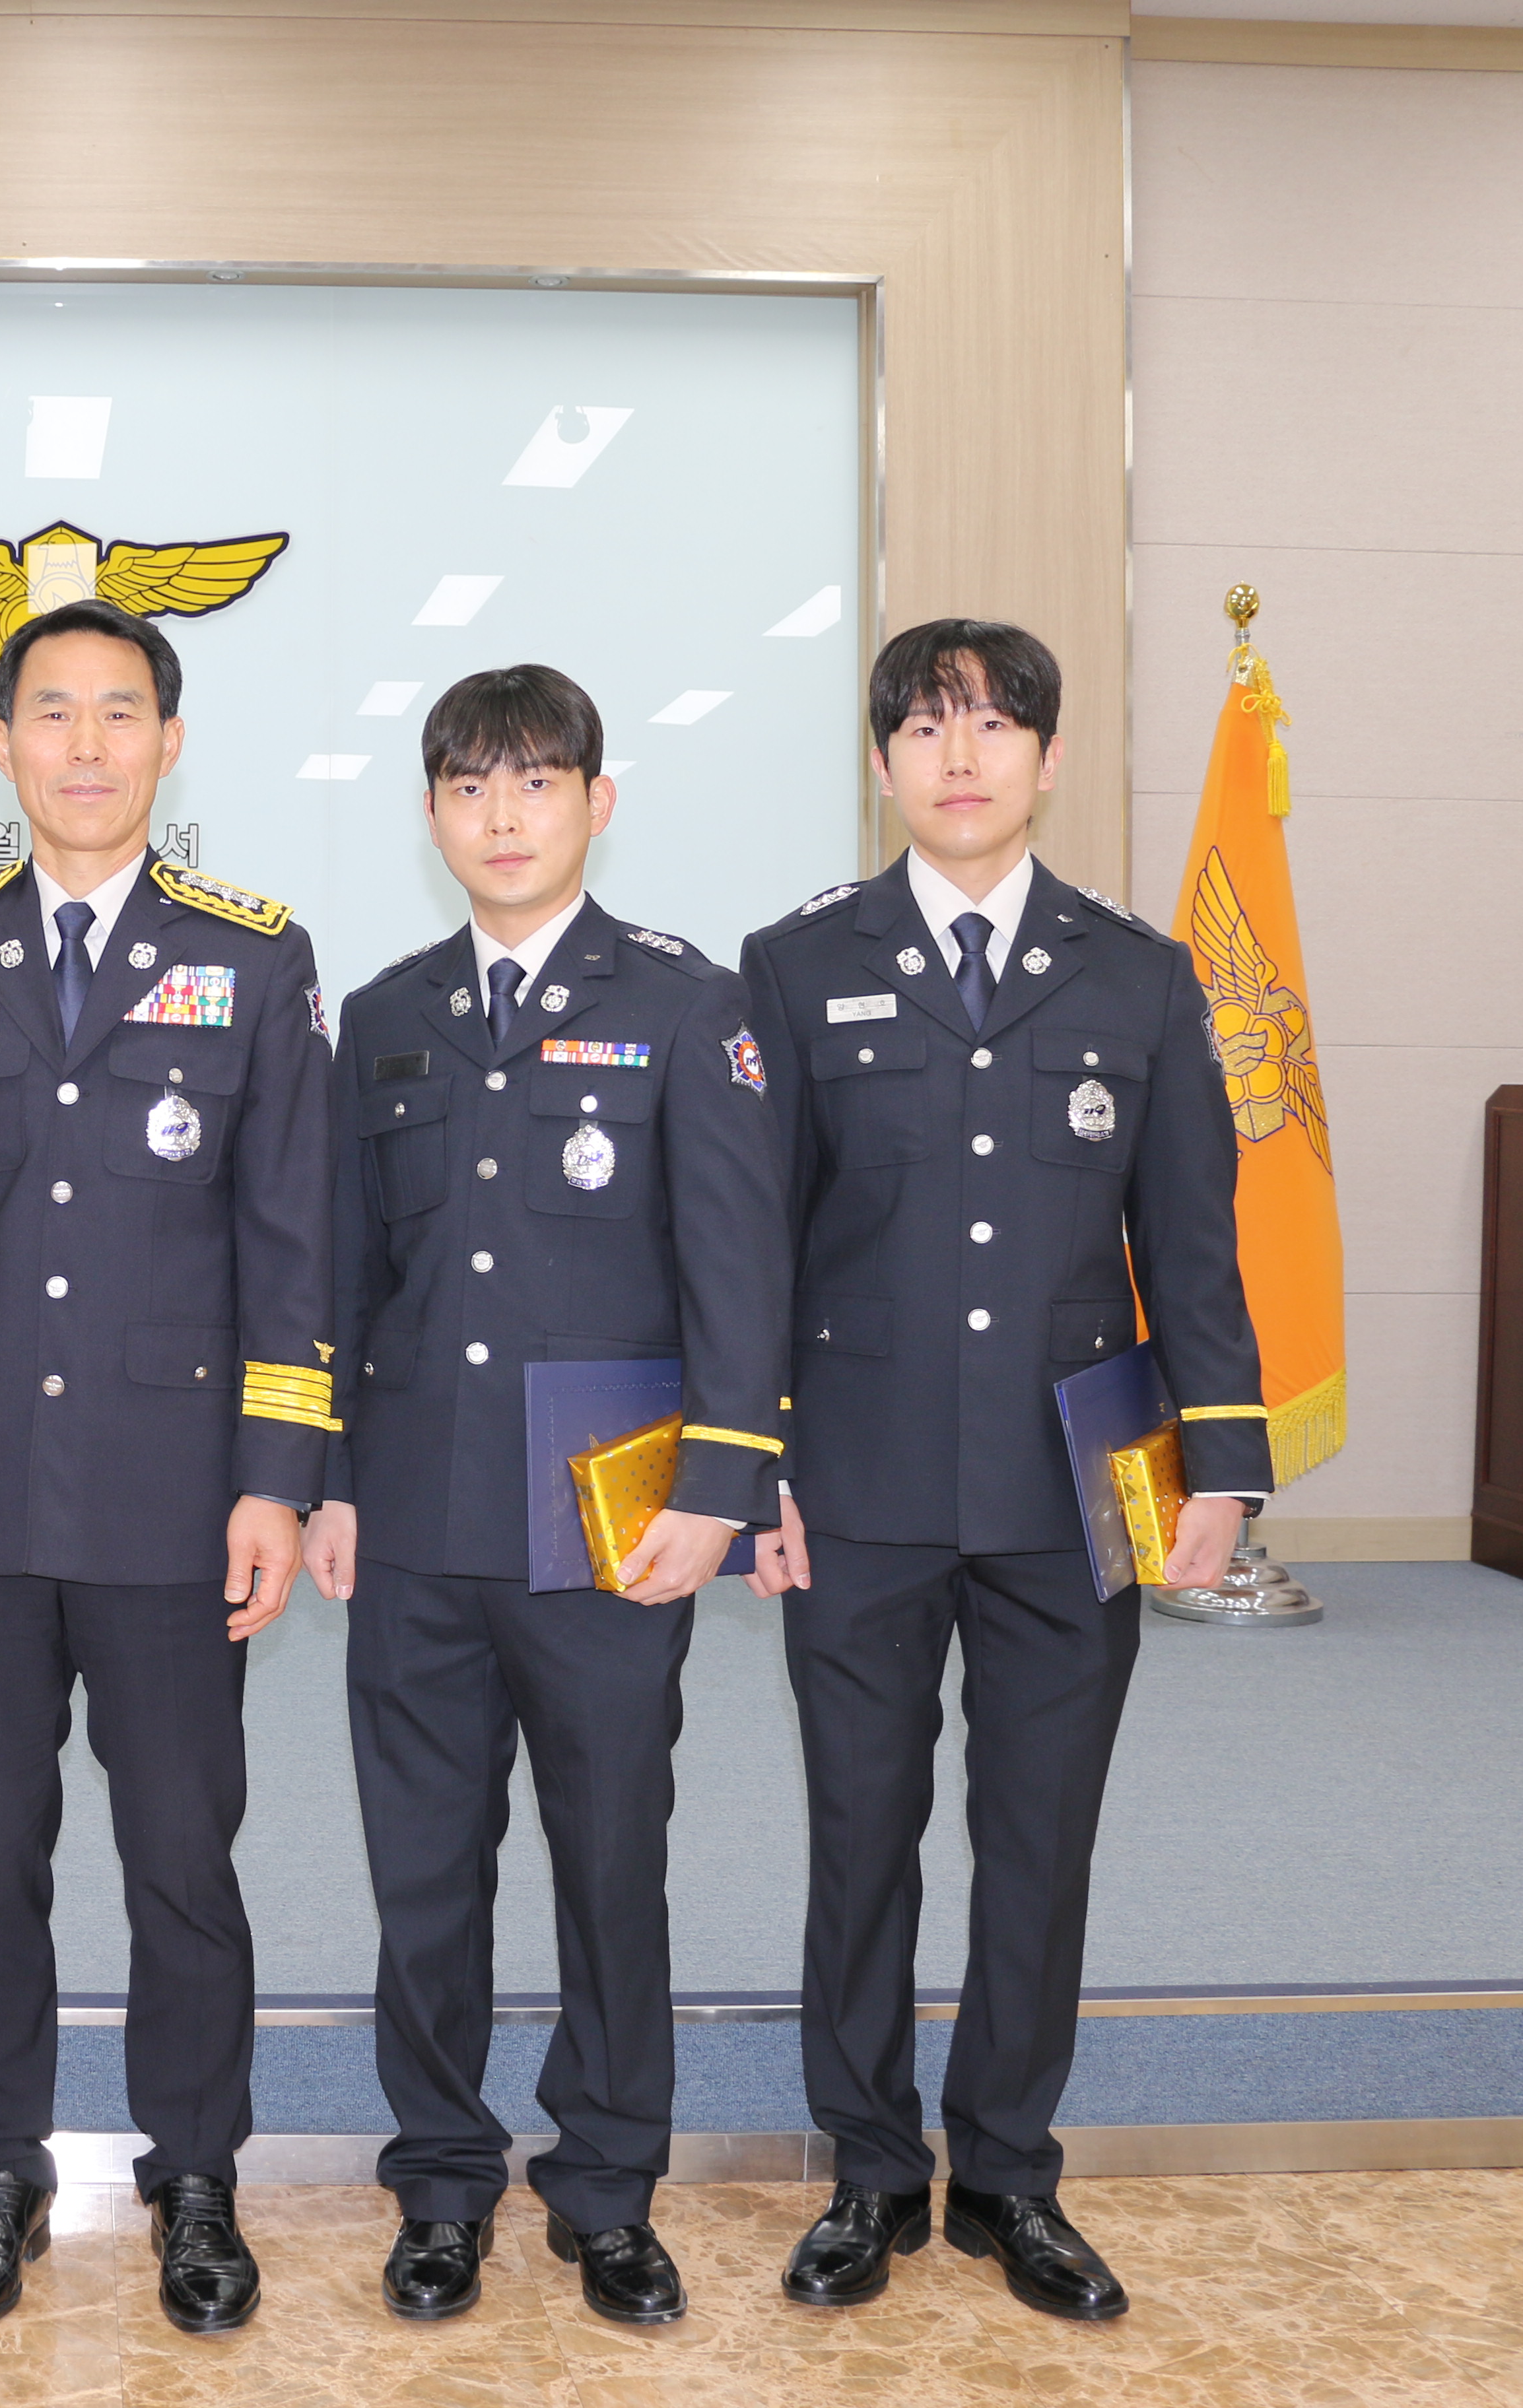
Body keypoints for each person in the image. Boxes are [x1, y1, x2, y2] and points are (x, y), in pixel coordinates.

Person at [735, 618, 1271, 2322]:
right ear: (880, 762)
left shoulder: (1137, 975)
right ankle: (870, 2171)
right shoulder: (794, 965)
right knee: (861, 1835)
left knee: (1041, 1841)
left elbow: (1192, 1246)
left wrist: (1224, 1464)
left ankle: (1009, 2176)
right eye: (924, 727)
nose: (958, 757)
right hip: (858, 1480)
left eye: (992, 726)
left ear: (1049, 757)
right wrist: (753, 1467)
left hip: (1069, 1488)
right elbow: (750, 1247)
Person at [0, 599, 333, 2335]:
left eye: (123, 711)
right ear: (2, 743)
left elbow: (292, 1245)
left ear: (171, 744)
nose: (89, 744)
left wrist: (274, 1479)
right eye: (54, 711)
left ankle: (196, 2177)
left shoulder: (255, 957)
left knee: (183, 1857)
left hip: (175, 1501)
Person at [301, 664, 790, 2327]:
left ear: (598, 800)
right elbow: (345, 1278)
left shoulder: (687, 1004)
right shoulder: (386, 1016)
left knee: (610, 1861)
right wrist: (330, 1482)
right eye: (468, 787)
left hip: (611, 1527)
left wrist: (722, 1490)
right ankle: (442, 2182)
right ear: (432, 813)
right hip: (419, 1521)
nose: (501, 817)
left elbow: (739, 1274)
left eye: (534, 782)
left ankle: (608, 2187)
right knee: (426, 1875)